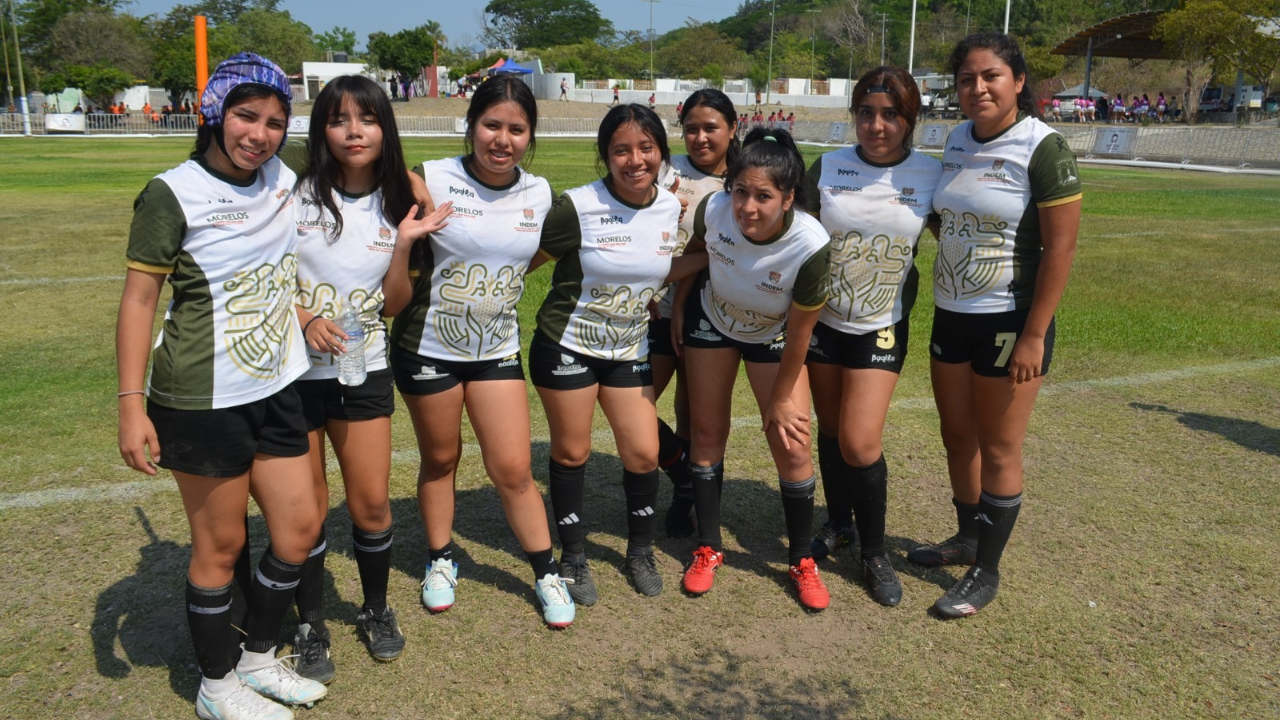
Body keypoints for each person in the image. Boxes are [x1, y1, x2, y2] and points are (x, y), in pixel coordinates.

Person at [116, 52, 328, 720]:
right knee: (222, 547)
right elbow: (139, 301)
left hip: (278, 385)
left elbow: (271, 272)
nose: (259, 133)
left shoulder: (280, 179)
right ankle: (216, 685)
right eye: (246, 115)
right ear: (214, 112)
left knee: (298, 531)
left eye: (273, 121)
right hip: (200, 399)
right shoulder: (171, 191)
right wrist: (129, 405)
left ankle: (258, 656)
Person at [282, 75, 454, 682]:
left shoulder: (400, 201)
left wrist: (404, 243)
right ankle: (310, 624)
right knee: (304, 513)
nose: (354, 131)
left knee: (372, 504)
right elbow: (264, 282)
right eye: (338, 119)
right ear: (321, 129)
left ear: (386, 127)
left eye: (368, 118)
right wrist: (304, 319)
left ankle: (377, 608)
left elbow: (393, 304)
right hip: (292, 378)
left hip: (364, 372)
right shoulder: (293, 194)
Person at [392, 75, 577, 628]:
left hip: (494, 347)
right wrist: (403, 176)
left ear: (530, 135)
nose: (502, 139)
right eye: (491, 125)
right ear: (470, 126)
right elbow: (354, 169)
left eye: (516, 129)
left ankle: (546, 571)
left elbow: (536, 256)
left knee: (514, 468)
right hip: (426, 345)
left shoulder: (540, 193)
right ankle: (441, 558)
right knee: (441, 459)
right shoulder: (433, 177)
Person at [914, 32, 1081, 618]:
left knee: (999, 446)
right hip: (951, 314)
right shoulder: (956, 139)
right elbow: (943, 215)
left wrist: (1034, 333)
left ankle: (986, 571)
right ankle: (966, 538)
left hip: (1010, 320)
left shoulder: (1044, 146)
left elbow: (1060, 250)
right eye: (966, 79)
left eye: (990, 76)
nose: (977, 87)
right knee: (957, 436)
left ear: (1017, 82)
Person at [532, 103, 705, 604]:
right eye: (621, 150)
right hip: (567, 345)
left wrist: (714, 257)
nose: (635, 160)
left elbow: (656, 267)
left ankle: (639, 553)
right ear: (605, 156)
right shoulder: (577, 206)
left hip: (628, 347)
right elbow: (525, 260)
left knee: (644, 452)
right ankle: (574, 557)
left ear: (660, 152)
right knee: (572, 452)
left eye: (645, 148)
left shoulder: (669, 208)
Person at [674, 128, 833, 611]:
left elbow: (803, 331)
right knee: (705, 434)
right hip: (713, 320)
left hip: (775, 334)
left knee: (791, 441)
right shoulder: (713, 209)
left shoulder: (811, 245)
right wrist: (680, 308)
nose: (747, 207)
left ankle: (802, 559)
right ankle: (708, 547)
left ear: (788, 199)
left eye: (763, 196)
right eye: (740, 191)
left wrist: (783, 397)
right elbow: (695, 257)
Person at [804, 66, 942, 608]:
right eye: (866, 113)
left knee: (861, 442)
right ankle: (839, 525)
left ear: (910, 120)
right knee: (833, 430)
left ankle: (875, 552)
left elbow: (955, 236)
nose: (876, 125)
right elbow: (797, 236)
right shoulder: (829, 166)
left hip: (880, 324)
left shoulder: (929, 175)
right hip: (823, 323)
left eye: (890, 115)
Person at [652, 89, 740, 538]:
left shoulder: (742, 178)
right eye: (691, 129)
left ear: (732, 128)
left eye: (711, 128)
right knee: (636, 403)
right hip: (660, 309)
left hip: (714, 315)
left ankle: (688, 500)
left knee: (695, 417)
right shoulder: (665, 171)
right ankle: (683, 476)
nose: (700, 137)